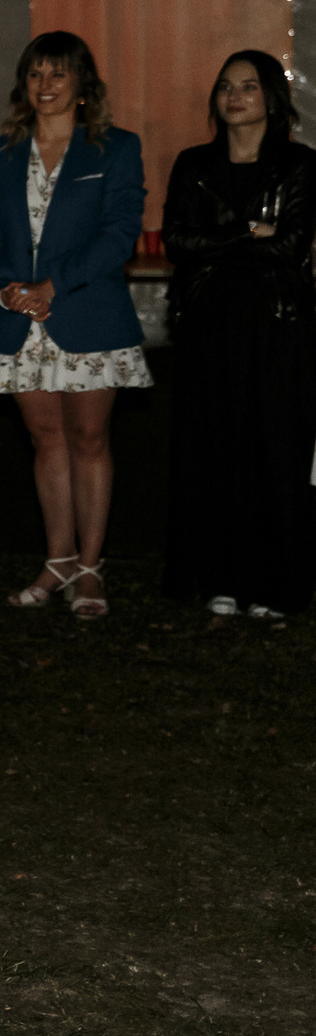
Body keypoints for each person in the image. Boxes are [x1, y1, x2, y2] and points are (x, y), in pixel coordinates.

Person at [0, 33, 149, 622]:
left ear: (82, 86)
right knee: (45, 441)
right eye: (35, 75)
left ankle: (92, 569)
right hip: (21, 319)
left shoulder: (115, 149)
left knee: (89, 441)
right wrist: (7, 286)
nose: (45, 86)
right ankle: (58, 560)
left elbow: (121, 232)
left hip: (88, 313)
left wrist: (56, 286)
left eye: (58, 75)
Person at [162, 48, 316, 620]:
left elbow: (291, 247)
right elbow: (178, 243)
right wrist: (250, 232)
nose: (234, 96)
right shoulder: (193, 164)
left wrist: (222, 240)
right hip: (209, 326)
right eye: (226, 86)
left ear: (271, 98)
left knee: (275, 453)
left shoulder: (299, 166)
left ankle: (278, 586)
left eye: (248, 86)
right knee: (216, 452)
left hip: (279, 327)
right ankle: (221, 577)